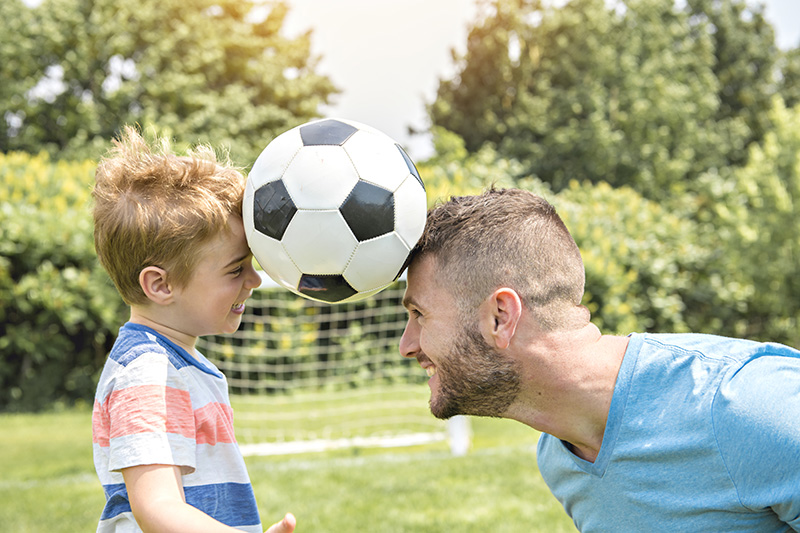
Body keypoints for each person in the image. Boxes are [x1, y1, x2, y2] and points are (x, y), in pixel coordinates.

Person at [399, 187, 800, 531]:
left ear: (501, 317)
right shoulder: (559, 457)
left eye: (419, 315)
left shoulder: (745, 406)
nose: (407, 345)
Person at [91, 126, 295, 533]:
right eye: (236, 268)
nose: (253, 280)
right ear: (161, 285)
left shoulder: (172, 361)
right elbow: (157, 508)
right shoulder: (147, 371)